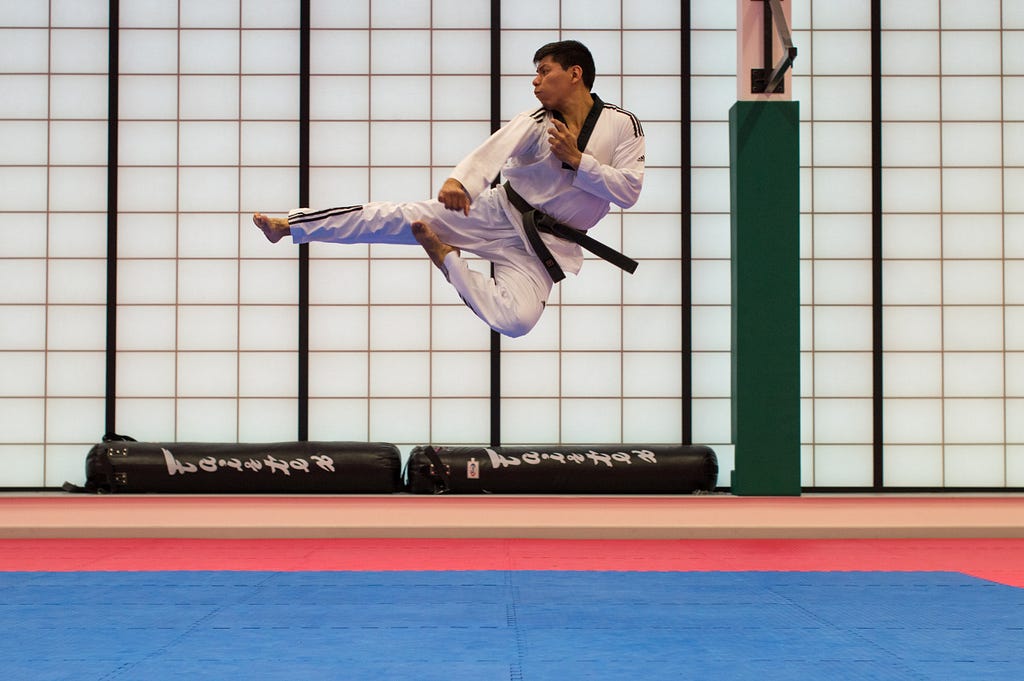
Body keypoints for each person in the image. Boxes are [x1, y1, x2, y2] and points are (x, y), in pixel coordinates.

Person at [253, 40, 645, 338]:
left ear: (575, 73)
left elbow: (628, 191)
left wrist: (579, 161)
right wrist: (461, 182)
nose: (535, 80)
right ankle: (290, 225)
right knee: (395, 218)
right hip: (497, 212)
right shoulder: (536, 121)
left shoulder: (622, 125)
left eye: (544, 71)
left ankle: (447, 259)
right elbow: (490, 154)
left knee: (516, 322)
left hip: (545, 245)